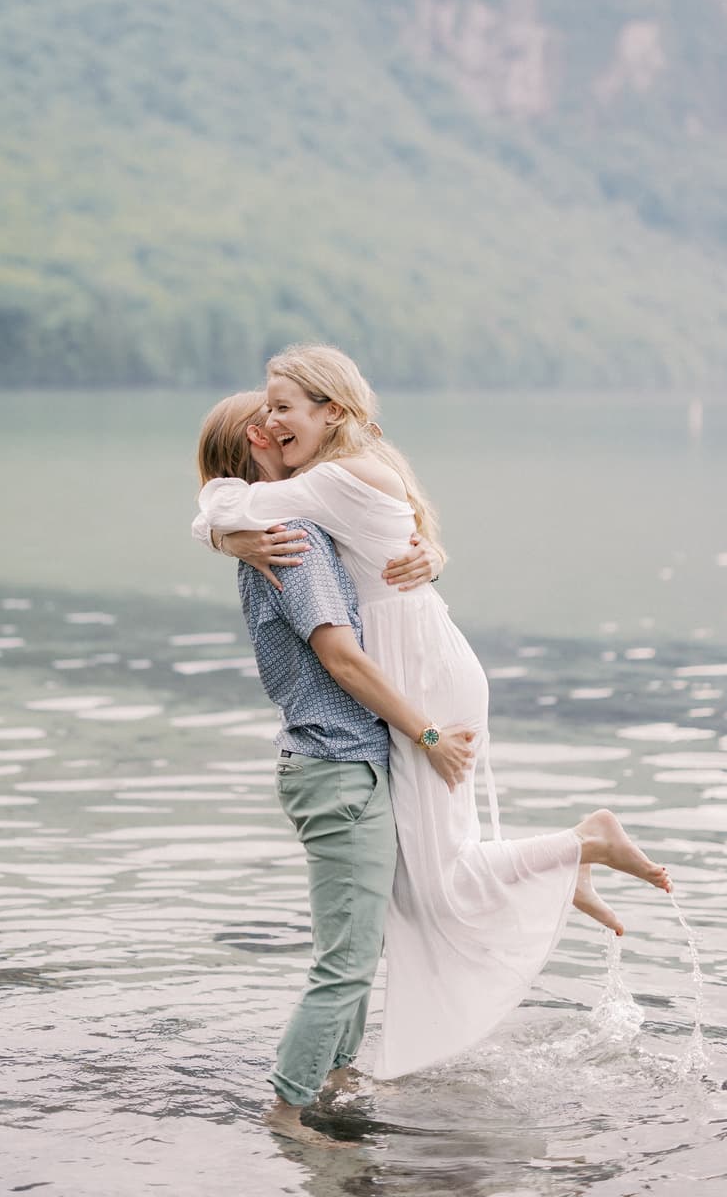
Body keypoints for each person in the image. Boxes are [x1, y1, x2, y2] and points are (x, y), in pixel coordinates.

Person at [194, 346, 673, 1086]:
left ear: (334, 411)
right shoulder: (346, 474)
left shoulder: (324, 485)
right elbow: (260, 509)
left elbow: (226, 502)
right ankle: (564, 861)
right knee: (423, 882)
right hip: (415, 667)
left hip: (416, 680)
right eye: (267, 411)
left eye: (284, 406)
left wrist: (222, 532)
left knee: (435, 883)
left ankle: (580, 845)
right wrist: (230, 532)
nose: (274, 421)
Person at [196, 391, 474, 1146]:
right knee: (346, 959)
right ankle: (287, 1111)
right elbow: (341, 656)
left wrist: (429, 552)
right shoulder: (291, 538)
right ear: (256, 440)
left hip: (341, 762)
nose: (284, 430)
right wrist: (426, 734)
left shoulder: (290, 527)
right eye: (272, 422)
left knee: (357, 946)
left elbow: (389, 556)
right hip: (339, 764)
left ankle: (335, 1075)